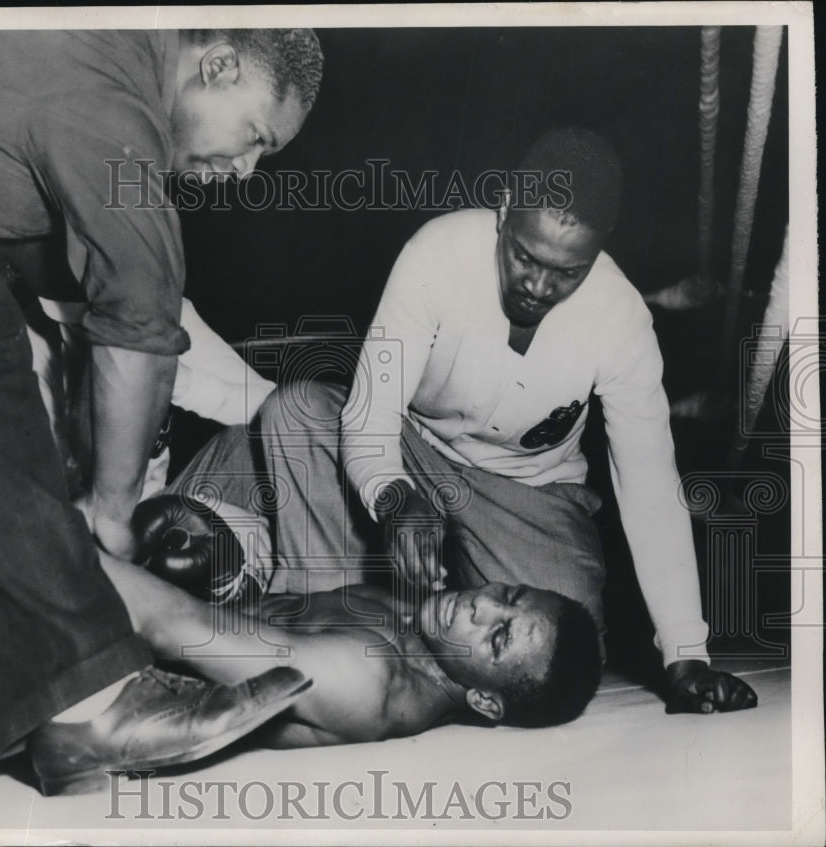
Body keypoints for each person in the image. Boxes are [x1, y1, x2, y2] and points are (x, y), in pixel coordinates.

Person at [0, 28, 325, 794]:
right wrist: (111, 512)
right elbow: (142, 308)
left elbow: (133, 331)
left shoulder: (91, 66)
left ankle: (48, 696)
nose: (246, 171)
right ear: (219, 65)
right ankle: (85, 701)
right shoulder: (113, 96)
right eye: (255, 138)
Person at [257, 128, 758, 715]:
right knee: (295, 412)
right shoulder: (437, 252)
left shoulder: (622, 320)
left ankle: (416, 651)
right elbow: (372, 410)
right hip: (412, 450)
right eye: (525, 256)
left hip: (533, 491)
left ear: (599, 250)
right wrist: (393, 495)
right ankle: (301, 632)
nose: (539, 286)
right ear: (504, 209)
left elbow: (649, 484)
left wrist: (685, 652)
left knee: (560, 659)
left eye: (568, 272)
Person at [101, 503, 603, 749]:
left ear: (485, 701)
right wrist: (226, 583)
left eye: (497, 637)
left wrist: (59, 541)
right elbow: (263, 617)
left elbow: (169, 625)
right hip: (120, 627)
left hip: (92, 673)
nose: (480, 607)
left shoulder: (371, 682)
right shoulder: (407, 617)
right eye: (507, 597)